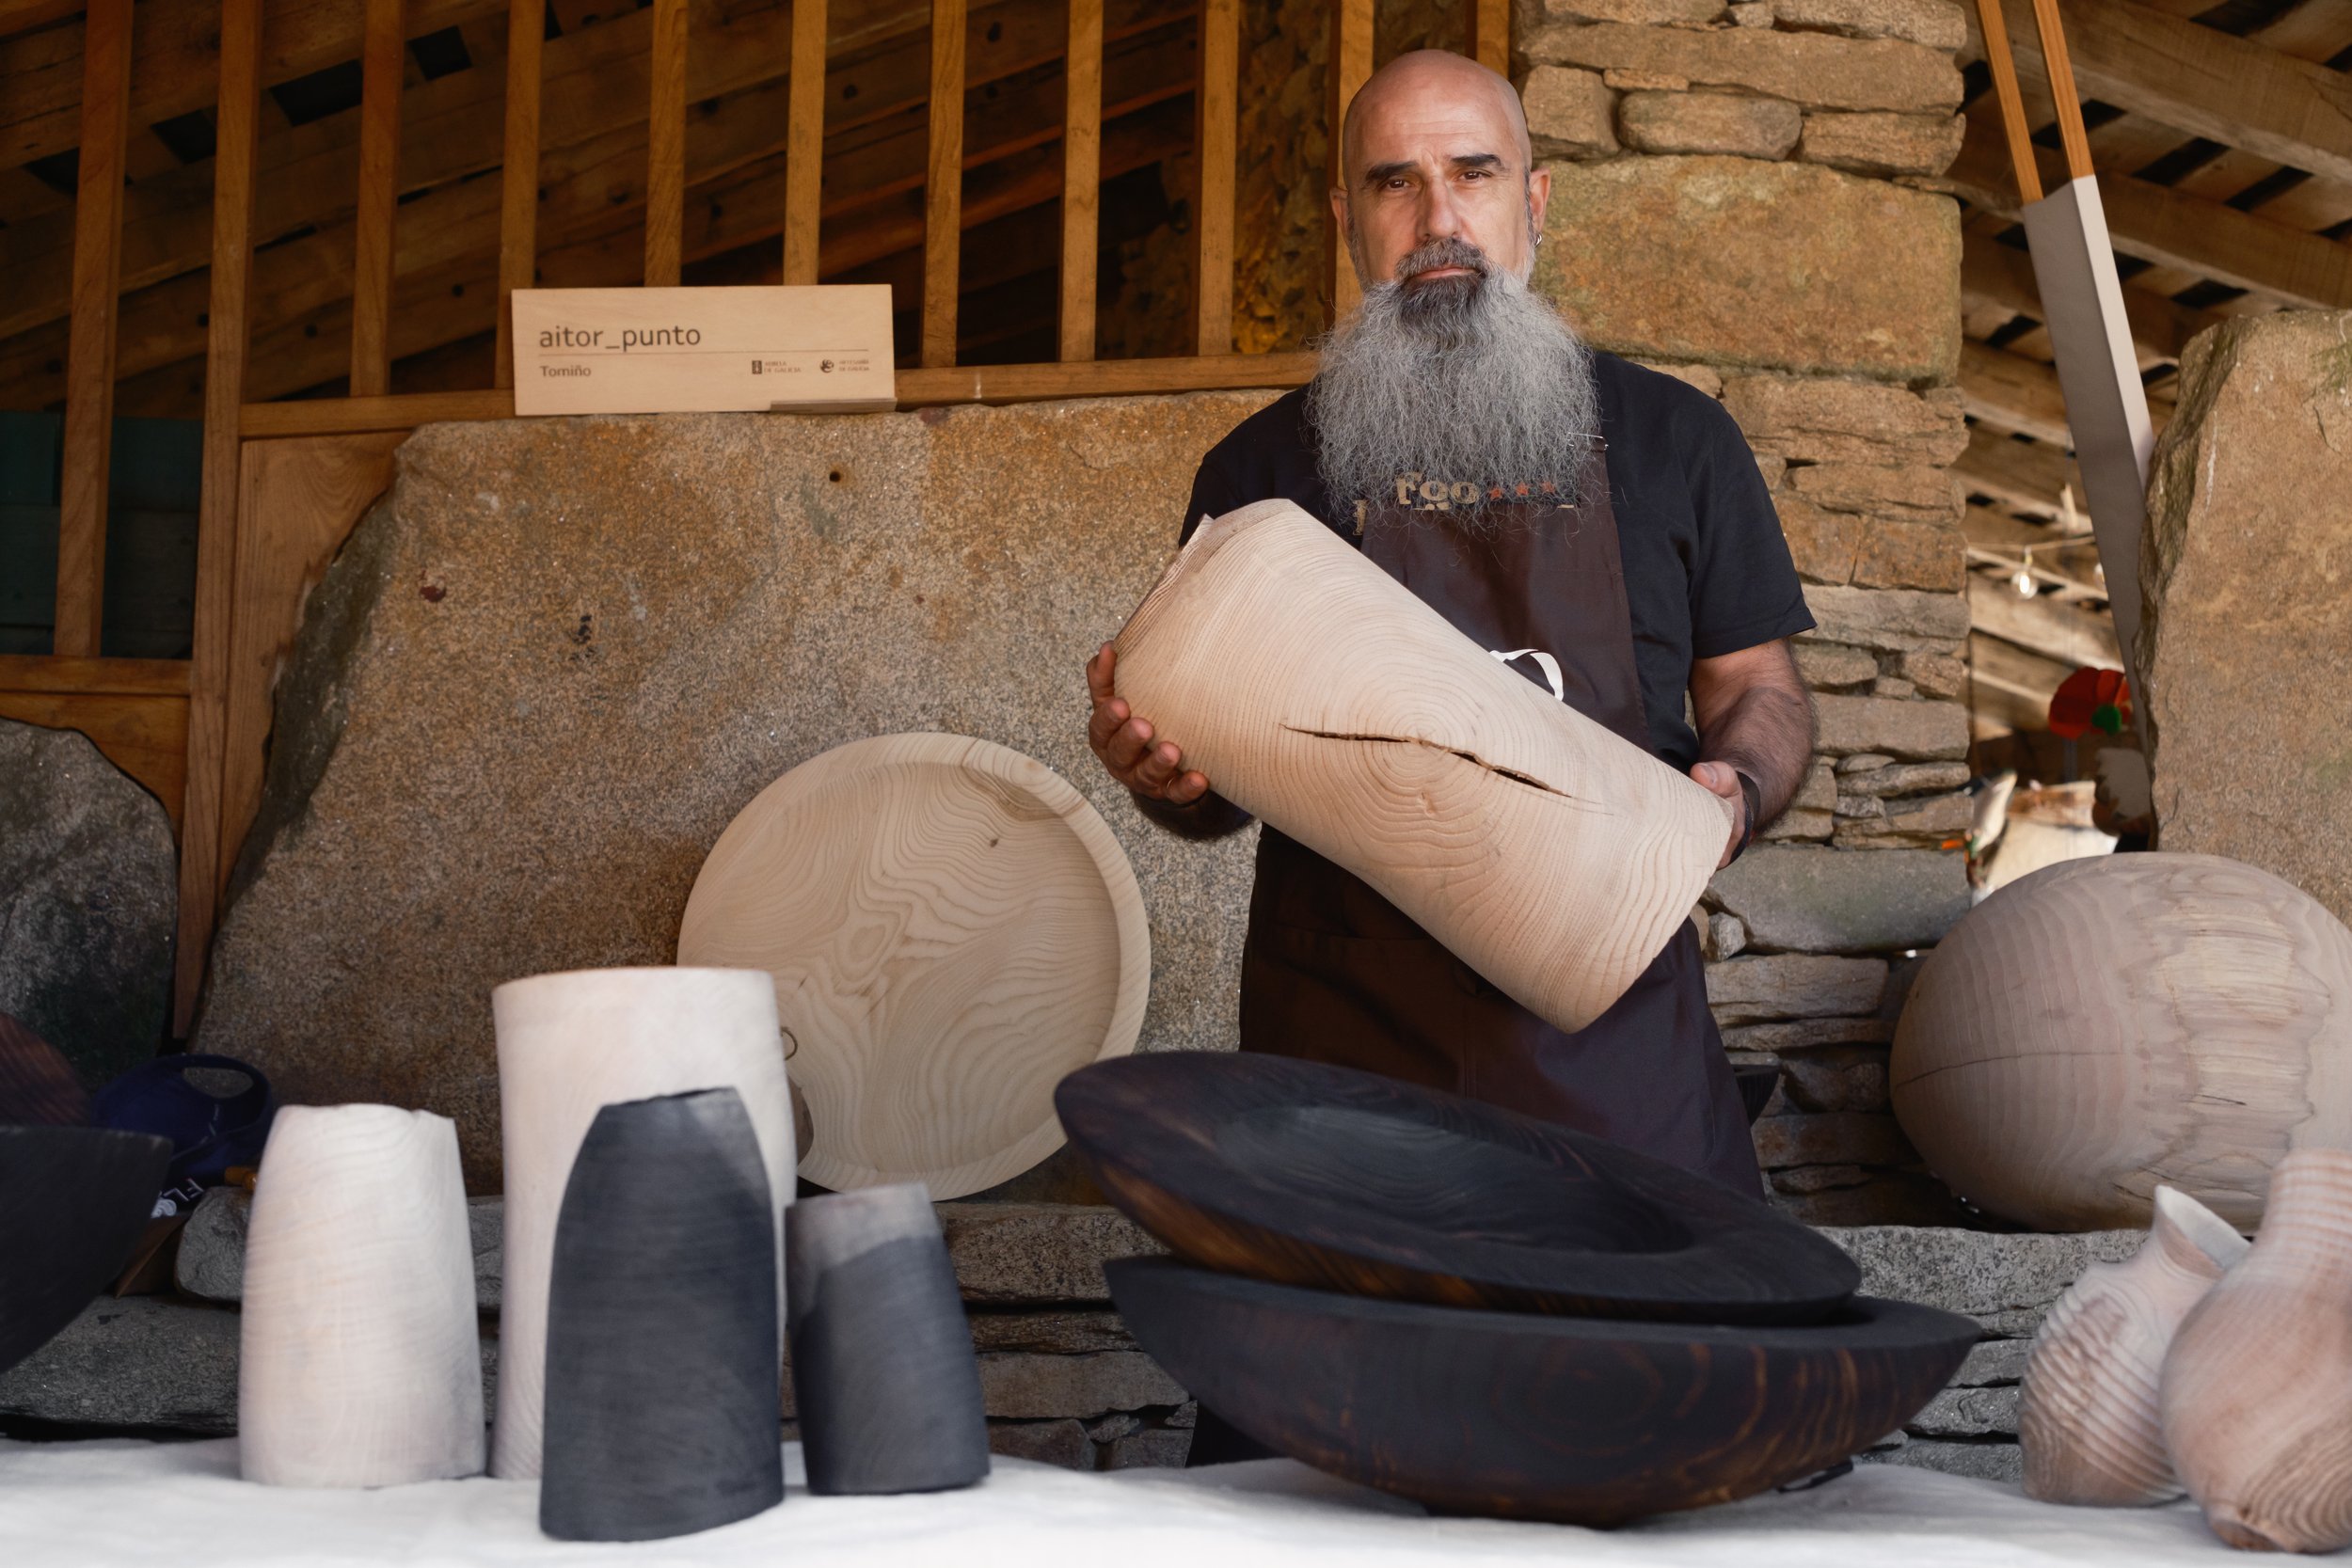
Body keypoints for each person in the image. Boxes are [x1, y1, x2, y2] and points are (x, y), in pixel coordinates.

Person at [1085, 49, 1813, 1195]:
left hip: (1616, 1045)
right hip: (1345, 1059)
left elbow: (1753, 688)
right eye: (1392, 183)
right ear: (1346, 219)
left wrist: (1741, 789)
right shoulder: (1261, 469)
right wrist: (1158, 775)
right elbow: (1213, 784)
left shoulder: (1678, 440)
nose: (1438, 218)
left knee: (1648, 1361)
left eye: (1472, 173)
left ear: (1532, 199)